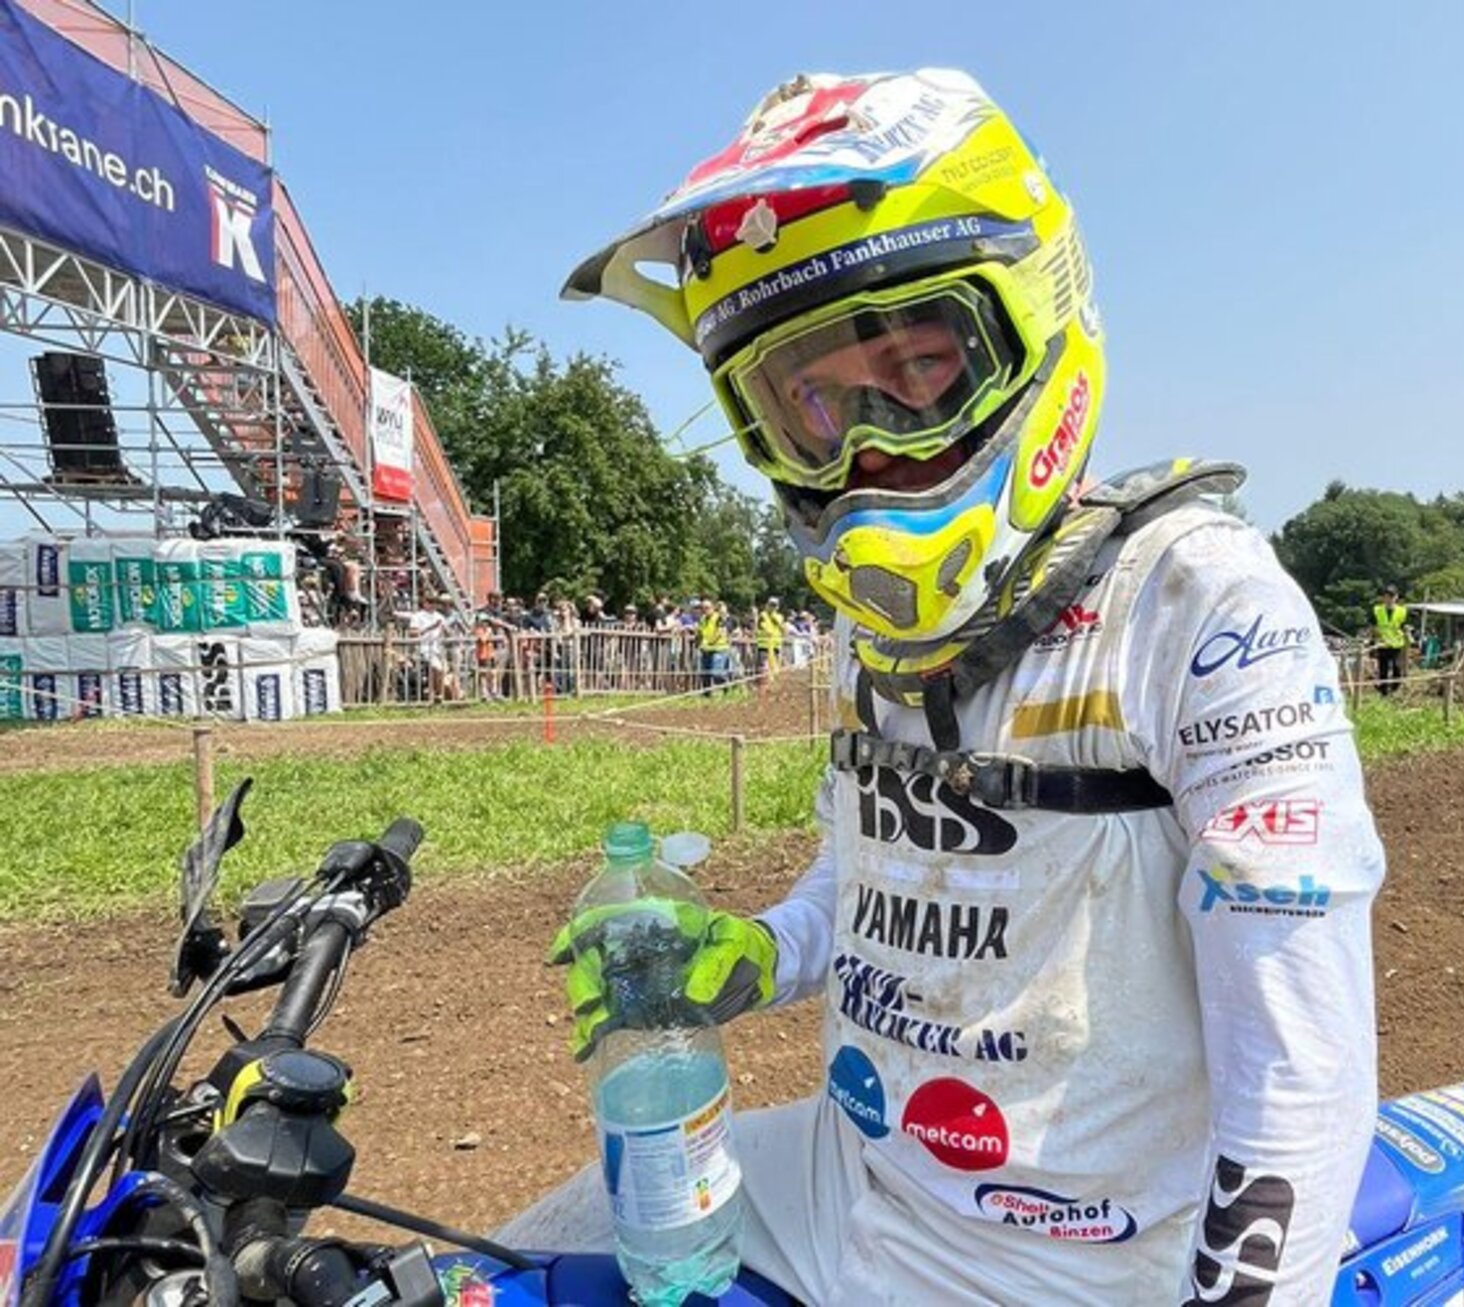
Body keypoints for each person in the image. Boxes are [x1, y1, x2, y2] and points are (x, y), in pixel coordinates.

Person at [504, 69, 1384, 1304]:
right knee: (507, 1254)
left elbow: (1298, 1057)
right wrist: (755, 951)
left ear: (1029, 327)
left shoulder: (1192, 600)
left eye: (917, 370)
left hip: (1068, 1258)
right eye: (809, 405)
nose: (866, 448)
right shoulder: (875, 632)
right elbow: (873, 873)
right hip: (850, 1180)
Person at [1370, 584, 1410, 695]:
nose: (1389, 599)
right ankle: (1384, 692)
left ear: (1396, 597)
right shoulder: (1377, 610)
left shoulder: (1402, 611)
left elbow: (1404, 626)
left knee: (1397, 668)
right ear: (1383, 597)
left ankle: (1394, 689)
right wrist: (1373, 639)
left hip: (1397, 644)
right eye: (1386, 596)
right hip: (1382, 643)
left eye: (1391, 596)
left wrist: (1407, 633)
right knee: (1383, 668)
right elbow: (1373, 626)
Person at [697, 598, 732, 695]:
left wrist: (710, 642)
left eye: (707, 607)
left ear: (712, 608)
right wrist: (698, 642)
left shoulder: (718, 617)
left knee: (717, 673)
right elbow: (700, 632)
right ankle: (706, 696)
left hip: (719, 649)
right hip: (706, 650)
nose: (705, 610)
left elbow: (720, 632)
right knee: (705, 674)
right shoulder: (702, 619)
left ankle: (726, 687)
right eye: (703, 608)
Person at [756, 596, 786, 680]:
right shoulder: (762, 615)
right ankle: (764, 681)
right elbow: (761, 626)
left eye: (774, 605)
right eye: (771, 605)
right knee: (763, 666)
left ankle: (773, 680)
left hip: (775, 644)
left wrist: (775, 620)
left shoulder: (780, 617)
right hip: (764, 644)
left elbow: (783, 629)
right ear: (767, 605)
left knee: (774, 666)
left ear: (778, 607)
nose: (772, 607)